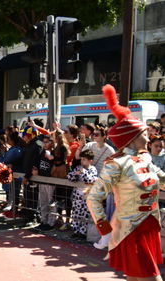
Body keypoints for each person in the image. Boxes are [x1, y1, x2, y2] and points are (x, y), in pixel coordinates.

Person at [87, 84, 164, 280]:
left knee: (135, 277)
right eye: (144, 135)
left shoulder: (146, 158)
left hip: (150, 226)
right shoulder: (116, 164)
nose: (149, 138)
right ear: (131, 139)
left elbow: (162, 179)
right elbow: (94, 197)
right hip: (130, 229)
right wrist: (103, 226)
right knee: (150, 277)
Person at [67, 150, 97, 240]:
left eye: (84, 159)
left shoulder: (93, 169)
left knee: (85, 214)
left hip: (86, 196)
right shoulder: (78, 168)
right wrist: (75, 174)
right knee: (76, 213)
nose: (82, 161)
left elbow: (90, 180)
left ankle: (83, 233)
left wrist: (83, 172)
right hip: (77, 195)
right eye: (81, 159)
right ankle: (76, 231)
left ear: (90, 160)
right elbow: (69, 177)